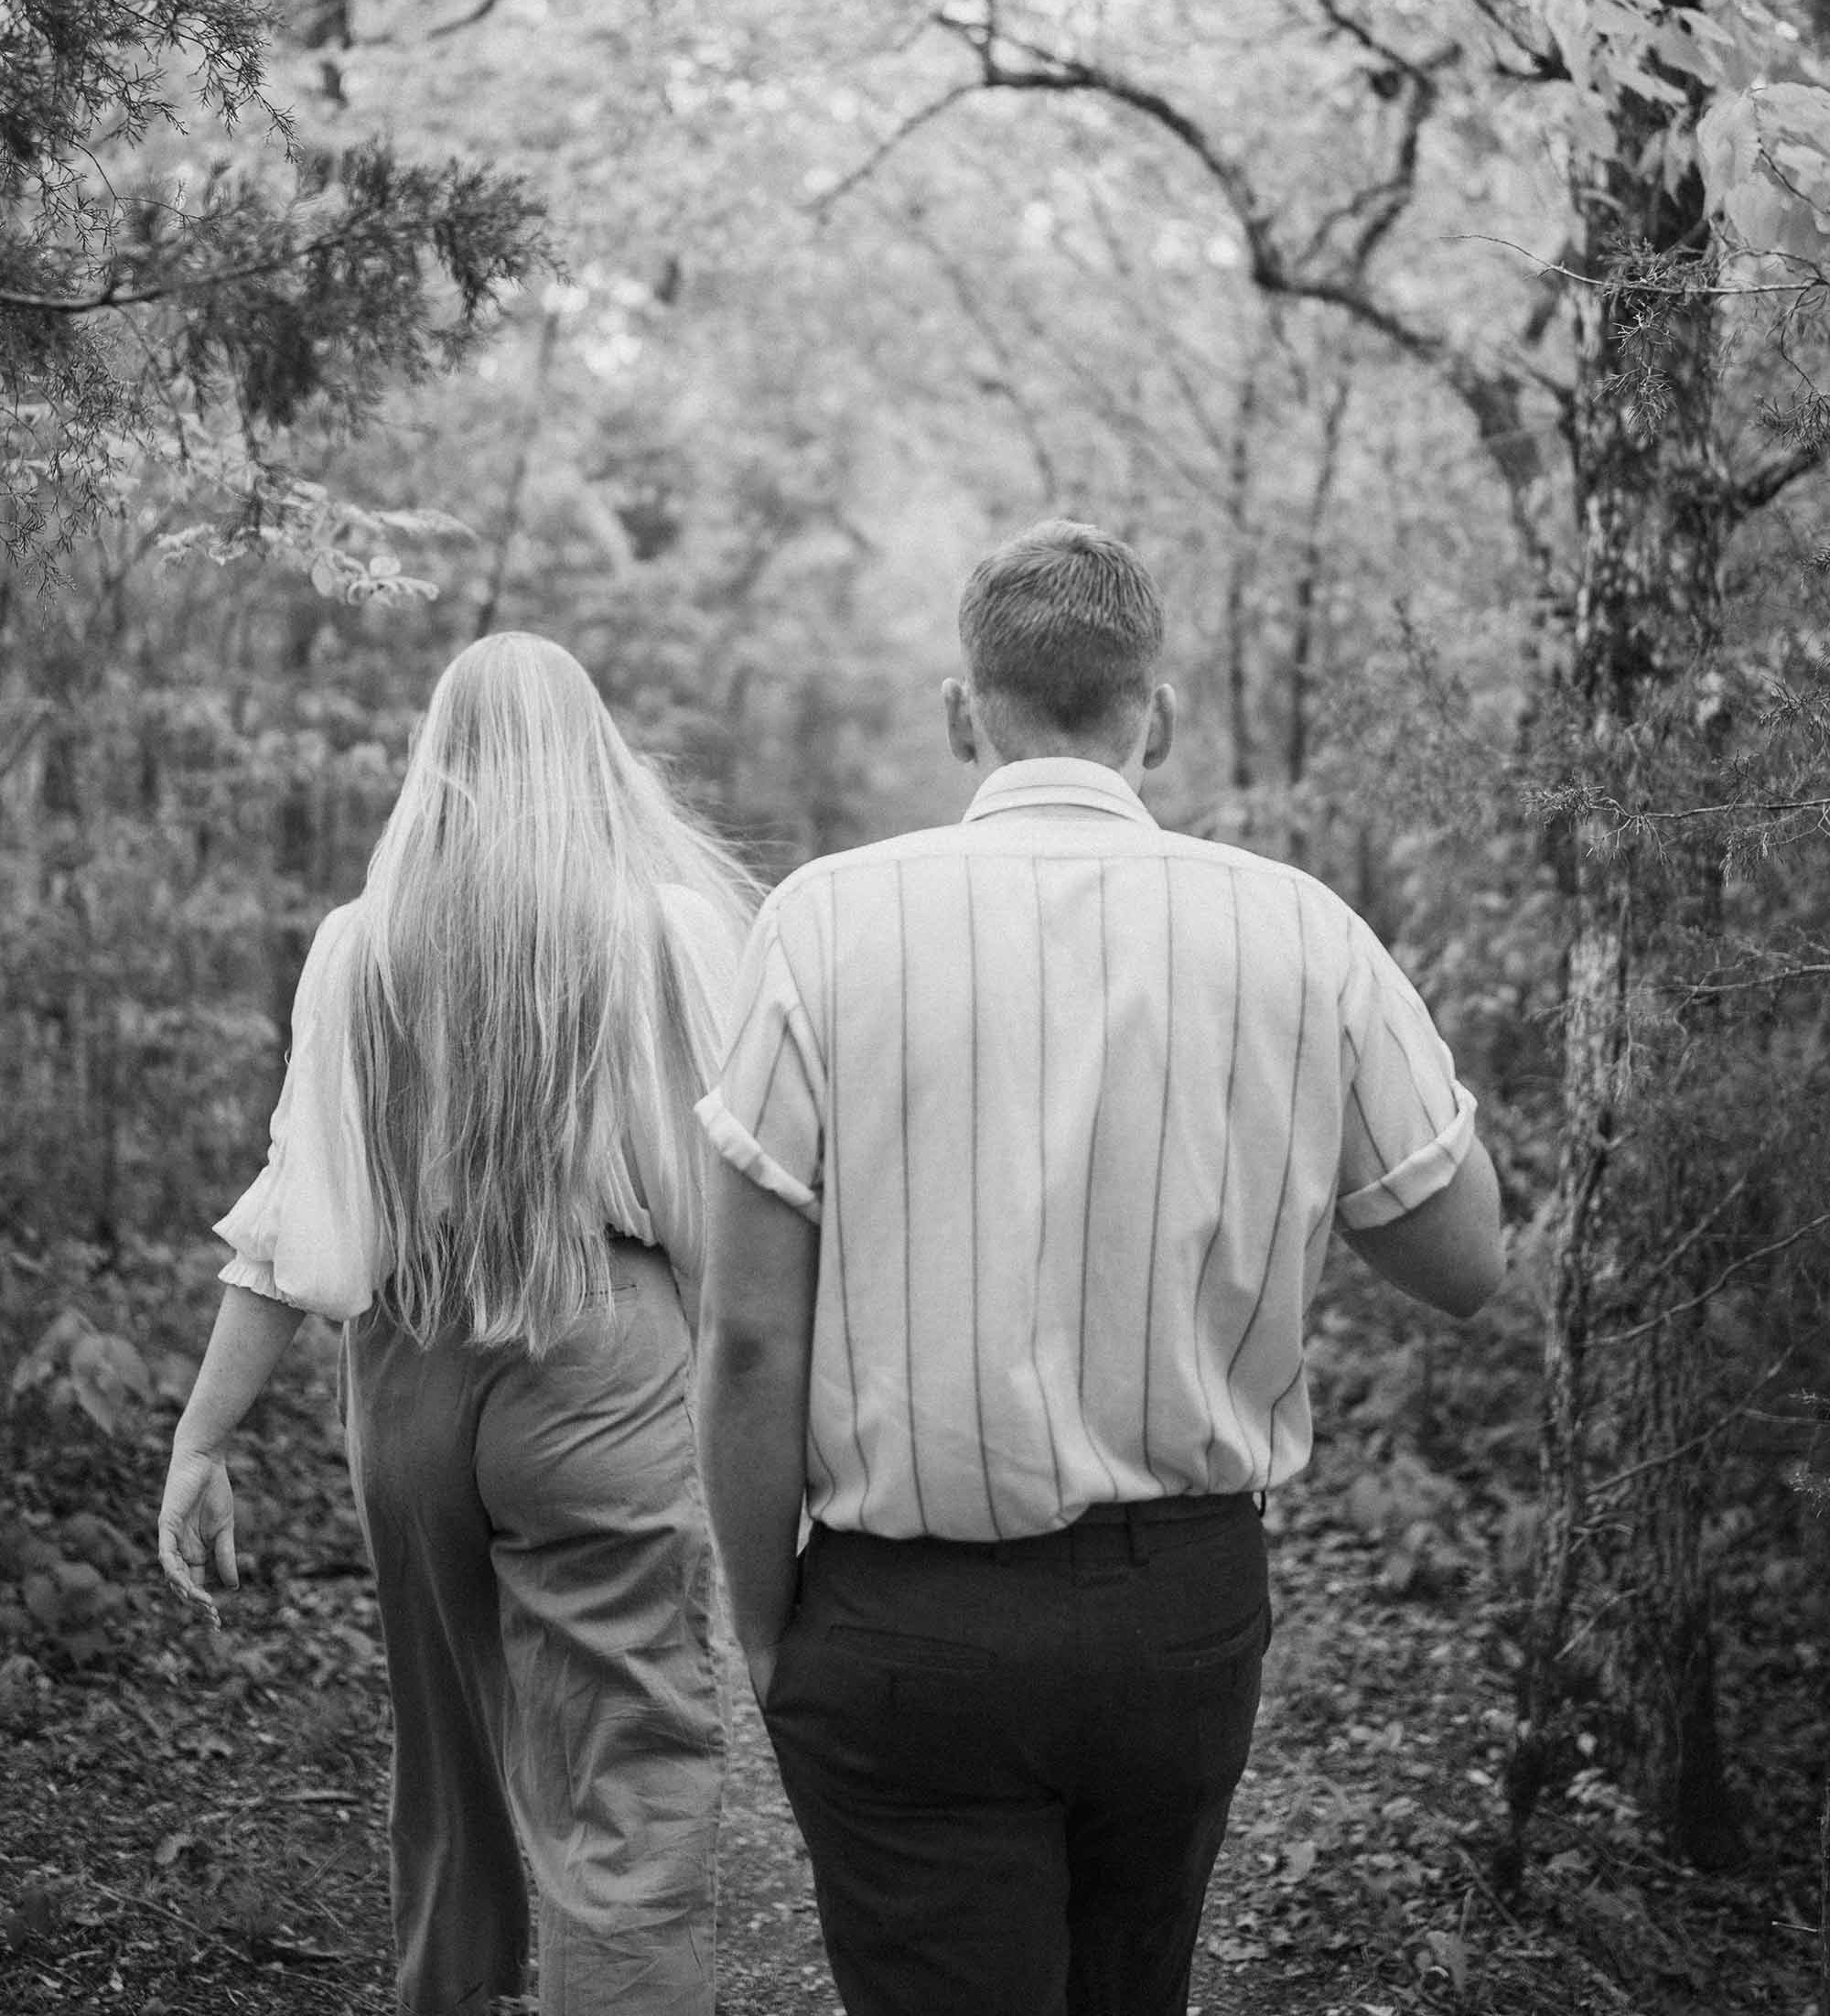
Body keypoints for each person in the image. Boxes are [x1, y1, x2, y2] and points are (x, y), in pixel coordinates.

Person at [696, 517, 1505, 2016]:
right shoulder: (1304, 933)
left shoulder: (821, 924)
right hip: (1178, 1617)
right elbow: (1466, 1256)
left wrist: (763, 1629)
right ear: (1162, 716)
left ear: (962, 712)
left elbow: (746, 1338)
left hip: (900, 1623)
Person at [156, 631, 757, 2016]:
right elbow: (725, 1206)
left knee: (447, 1752)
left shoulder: (364, 945)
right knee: (630, 1766)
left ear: (442, 759)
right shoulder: (664, 927)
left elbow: (301, 1211)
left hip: (411, 1371)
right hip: (602, 1348)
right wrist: (772, 1423)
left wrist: (204, 1438)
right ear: (589, 753)